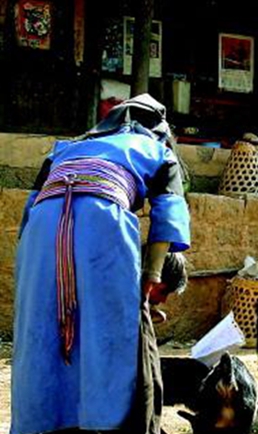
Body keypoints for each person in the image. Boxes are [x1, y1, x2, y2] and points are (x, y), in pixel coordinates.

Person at [11, 94, 191, 434]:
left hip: (42, 231)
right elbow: (169, 213)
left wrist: (32, 269)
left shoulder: (62, 150)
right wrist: (148, 279)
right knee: (111, 327)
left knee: (40, 325)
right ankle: (104, 422)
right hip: (103, 220)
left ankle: (42, 423)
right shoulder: (157, 150)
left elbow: (29, 212)